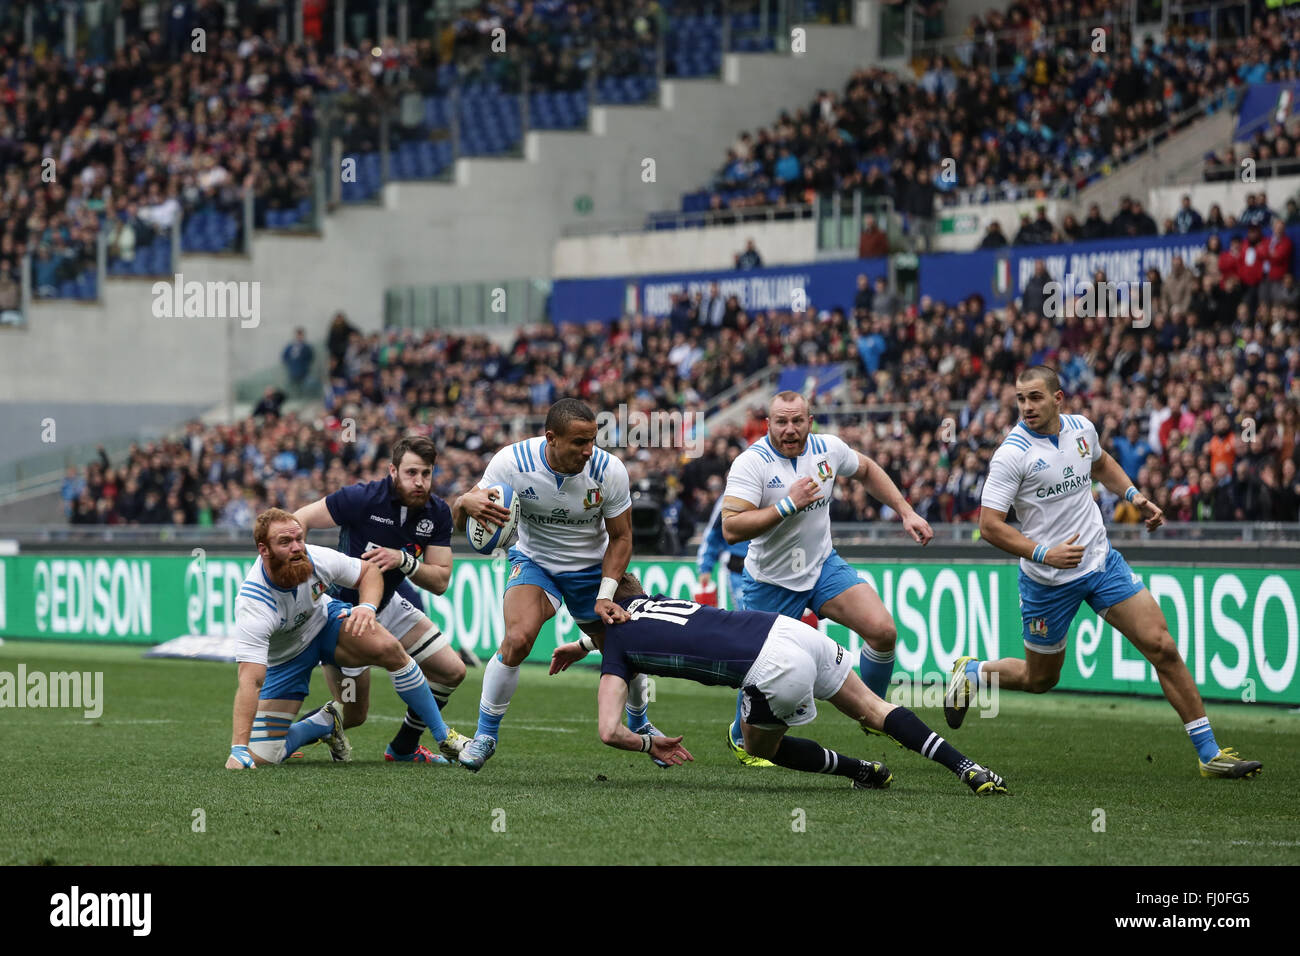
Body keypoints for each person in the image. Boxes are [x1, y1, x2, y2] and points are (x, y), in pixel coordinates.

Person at [947, 366, 1262, 779]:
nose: (1026, 406)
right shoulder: (1012, 453)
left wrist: (1135, 495)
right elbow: (989, 525)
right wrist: (1044, 553)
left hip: (1100, 562)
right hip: (1048, 581)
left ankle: (1210, 754)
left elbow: (1101, 462)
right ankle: (972, 672)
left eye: (1035, 397)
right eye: (1021, 398)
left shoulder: (1082, 429)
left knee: (1162, 645)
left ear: (1058, 399)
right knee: (1040, 679)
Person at [550, 574, 1008, 796]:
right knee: (874, 708)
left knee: (761, 748)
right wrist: (584, 642)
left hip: (770, 666)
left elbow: (609, 731)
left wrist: (650, 745)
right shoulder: (648, 602)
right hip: (790, 632)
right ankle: (970, 769)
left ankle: (860, 770)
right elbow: (630, 623)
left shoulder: (617, 648)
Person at [718, 391, 933, 765]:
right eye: (781, 422)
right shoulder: (751, 464)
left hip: (821, 567)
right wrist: (787, 504)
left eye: (797, 421)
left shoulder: (827, 449)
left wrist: (905, 512)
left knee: (882, 631)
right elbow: (731, 528)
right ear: (767, 424)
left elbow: (865, 469)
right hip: (771, 582)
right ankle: (741, 734)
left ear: (810, 421)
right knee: (763, 674)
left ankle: (875, 713)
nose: (789, 429)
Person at [451, 398, 655, 772]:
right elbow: (459, 520)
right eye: (579, 442)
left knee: (630, 645)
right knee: (517, 640)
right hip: (535, 562)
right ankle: (485, 736)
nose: (588, 450)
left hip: (593, 568)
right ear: (551, 438)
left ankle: (641, 722)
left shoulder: (609, 471)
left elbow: (622, 538)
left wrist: (606, 593)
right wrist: (465, 501)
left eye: (593, 439)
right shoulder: (511, 463)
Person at [226, 509, 453, 769]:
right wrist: (239, 748)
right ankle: (324, 723)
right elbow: (251, 680)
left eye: (299, 538)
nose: (297, 547)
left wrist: (367, 607)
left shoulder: (315, 557)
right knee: (263, 756)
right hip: (287, 661)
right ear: (264, 550)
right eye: (285, 542)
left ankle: (444, 736)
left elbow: (368, 571)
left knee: (387, 651)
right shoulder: (254, 603)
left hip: (329, 627)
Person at [292, 435, 467, 763]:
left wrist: (405, 561)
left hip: (387, 603)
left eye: (426, 474)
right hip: (346, 615)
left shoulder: (438, 513)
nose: (419, 482)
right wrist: (302, 575)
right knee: (355, 713)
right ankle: (286, 736)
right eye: (411, 473)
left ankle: (403, 748)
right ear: (392, 471)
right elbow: (301, 519)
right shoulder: (361, 498)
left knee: (452, 670)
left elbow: (441, 580)